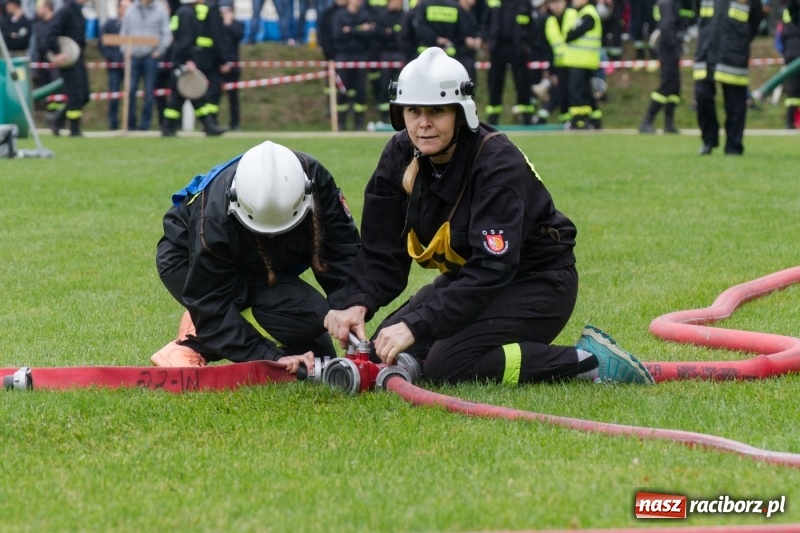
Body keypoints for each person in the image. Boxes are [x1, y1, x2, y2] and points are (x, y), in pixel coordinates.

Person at [324, 47, 654, 387]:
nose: (423, 123)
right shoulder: (399, 155)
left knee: (447, 365)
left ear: (459, 112)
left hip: (537, 282)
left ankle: (588, 362)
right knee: (380, 351)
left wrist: (417, 324)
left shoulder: (496, 161)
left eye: (437, 111)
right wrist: (356, 303)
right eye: (413, 110)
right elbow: (383, 253)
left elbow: (492, 268)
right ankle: (430, 356)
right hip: (469, 281)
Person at [153, 140, 362, 370]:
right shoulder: (214, 221)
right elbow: (212, 305)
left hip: (259, 264)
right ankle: (193, 343)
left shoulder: (316, 181)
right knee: (217, 313)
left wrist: (349, 306)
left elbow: (343, 252)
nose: (273, 236)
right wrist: (271, 357)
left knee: (314, 323)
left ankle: (206, 323)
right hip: (186, 260)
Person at [693, 0, 762, 155]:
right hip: (706, 49)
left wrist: (741, 39)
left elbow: (756, 19)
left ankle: (733, 145)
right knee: (702, 95)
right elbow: (698, 12)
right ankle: (709, 140)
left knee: (735, 103)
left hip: (734, 52)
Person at [161, 0, 228, 136]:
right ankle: (169, 127)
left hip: (179, 58)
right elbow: (186, 40)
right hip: (183, 59)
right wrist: (189, 60)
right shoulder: (188, 14)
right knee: (185, 92)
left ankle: (207, 125)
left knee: (189, 93)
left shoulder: (181, 11)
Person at [482, 0, 536, 125]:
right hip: (498, 47)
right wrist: (488, 40)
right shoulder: (492, 2)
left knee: (522, 83)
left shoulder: (524, 3)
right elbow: (485, 22)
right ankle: (493, 118)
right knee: (495, 83)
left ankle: (526, 117)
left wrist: (526, 44)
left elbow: (532, 25)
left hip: (518, 49)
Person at [120, 0, 172, 131]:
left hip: (151, 57)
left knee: (149, 92)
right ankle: (130, 124)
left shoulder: (160, 11)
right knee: (130, 90)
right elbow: (124, 32)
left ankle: (145, 125)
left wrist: (159, 51)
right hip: (133, 57)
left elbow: (166, 34)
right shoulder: (130, 10)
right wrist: (125, 50)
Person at [45, 0, 90, 137]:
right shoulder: (65, 12)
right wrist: (58, 52)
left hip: (78, 57)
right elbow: (51, 34)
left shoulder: (79, 12)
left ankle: (57, 119)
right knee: (75, 94)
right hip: (68, 60)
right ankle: (74, 130)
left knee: (84, 95)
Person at [638, 0, 682, 134]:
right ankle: (647, 121)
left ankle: (669, 123)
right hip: (668, 49)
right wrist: (675, 45)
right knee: (666, 86)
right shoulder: (668, 3)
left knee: (674, 88)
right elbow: (667, 26)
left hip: (667, 48)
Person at [331, 0, 375, 130]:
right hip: (343, 55)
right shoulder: (339, 15)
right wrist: (360, 29)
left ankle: (359, 122)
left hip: (360, 55)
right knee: (342, 89)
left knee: (360, 90)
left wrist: (350, 30)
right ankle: (341, 122)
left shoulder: (365, 15)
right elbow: (338, 34)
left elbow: (370, 34)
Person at [562, 0, 602, 129]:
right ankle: (595, 120)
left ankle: (579, 121)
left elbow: (571, 35)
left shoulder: (587, 14)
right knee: (586, 93)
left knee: (576, 92)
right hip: (584, 61)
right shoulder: (586, 13)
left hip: (581, 61)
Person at [98, 0, 130, 130]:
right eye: (124, 7)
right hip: (114, 66)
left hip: (129, 65)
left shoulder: (134, 24)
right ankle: (113, 123)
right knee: (114, 94)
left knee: (130, 95)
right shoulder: (110, 24)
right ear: (118, 9)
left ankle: (130, 124)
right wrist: (110, 56)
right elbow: (102, 42)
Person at [219, 0, 243, 130]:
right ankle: (212, 122)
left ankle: (235, 123)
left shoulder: (237, 25)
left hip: (233, 66)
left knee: (233, 98)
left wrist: (229, 25)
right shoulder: (216, 25)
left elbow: (239, 36)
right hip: (218, 65)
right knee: (214, 96)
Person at [779, 0, 800, 129]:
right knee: (793, 89)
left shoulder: (786, 11)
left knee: (792, 88)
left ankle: (790, 121)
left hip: (789, 51)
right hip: (794, 51)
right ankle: (791, 121)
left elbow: (780, 36)